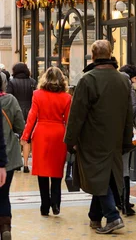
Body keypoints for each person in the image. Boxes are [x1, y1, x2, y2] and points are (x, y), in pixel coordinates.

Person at [64, 40, 133, 235]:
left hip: (92, 139)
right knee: (105, 176)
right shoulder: (123, 80)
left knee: (96, 176)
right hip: (115, 139)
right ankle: (95, 216)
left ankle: (112, 216)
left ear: (92, 56)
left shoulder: (88, 79)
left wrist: (71, 140)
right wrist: (127, 138)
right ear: (110, 54)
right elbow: (129, 113)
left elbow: (77, 114)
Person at [21, 67, 71, 217]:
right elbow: (69, 121)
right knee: (56, 170)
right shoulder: (67, 97)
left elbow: (32, 116)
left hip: (41, 132)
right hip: (59, 134)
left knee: (42, 171)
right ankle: (56, 203)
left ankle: (44, 205)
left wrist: (25, 136)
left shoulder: (37, 94)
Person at [116, 64, 136, 216]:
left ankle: (118, 200)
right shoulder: (129, 88)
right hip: (125, 133)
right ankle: (125, 203)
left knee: (116, 167)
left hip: (111, 132)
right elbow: (133, 108)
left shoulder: (113, 84)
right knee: (125, 169)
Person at [0, 73, 24, 239]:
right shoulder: (10, 100)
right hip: (7, 157)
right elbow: (20, 125)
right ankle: (5, 226)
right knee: (4, 194)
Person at [7, 63, 36, 173]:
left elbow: (9, 97)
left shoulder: (12, 82)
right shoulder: (32, 82)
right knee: (27, 137)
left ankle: (17, 163)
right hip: (30, 110)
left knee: (16, 136)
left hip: (16, 111)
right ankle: (26, 165)